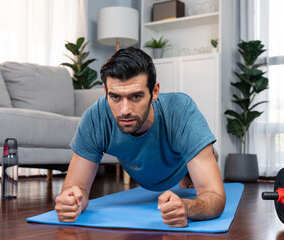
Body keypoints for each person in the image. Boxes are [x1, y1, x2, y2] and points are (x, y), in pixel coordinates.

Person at [55, 47, 226, 228]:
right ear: (105, 91)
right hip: (146, 173)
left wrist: (187, 207)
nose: (125, 110)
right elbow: (76, 189)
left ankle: (204, 157)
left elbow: (213, 196)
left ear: (154, 91)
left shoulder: (181, 110)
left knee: (201, 163)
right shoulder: (95, 118)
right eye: (115, 97)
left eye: (136, 96)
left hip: (180, 165)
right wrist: (72, 202)